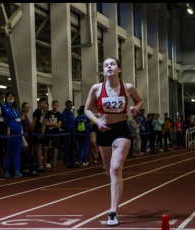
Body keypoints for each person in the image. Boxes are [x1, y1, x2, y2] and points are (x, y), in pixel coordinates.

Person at [84, 56, 143, 226]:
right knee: (110, 173)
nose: (109, 67)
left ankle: (112, 212)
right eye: (105, 65)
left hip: (121, 130)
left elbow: (140, 101)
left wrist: (135, 108)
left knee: (116, 168)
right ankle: (117, 188)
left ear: (119, 69)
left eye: (112, 64)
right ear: (103, 71)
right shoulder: (96, 88)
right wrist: (96, 121)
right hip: (103, 130)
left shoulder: (128, 88)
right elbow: (87, 109)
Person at [3, 91, 23, 178]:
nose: (10, 98)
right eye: (9, 96)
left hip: (18, 134)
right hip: (10, 134)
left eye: (12, 97)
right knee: (8, 153)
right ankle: (6, 171)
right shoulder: (4, 108)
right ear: (6, 98)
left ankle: (17, 171)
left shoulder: (16, 109)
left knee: (17, 153)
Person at [43, 100, 62, 170]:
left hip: (55, 133)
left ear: (58, 106)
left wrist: (53, 124)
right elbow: (46, 123)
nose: (55, 106)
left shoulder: (59, 114)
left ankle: (54, 164)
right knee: (45, 148)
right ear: (51, 105)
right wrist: (54, 124)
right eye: (54, 105)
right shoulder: (48, 113)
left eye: (56, 105)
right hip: (48, 132)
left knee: (55, 149)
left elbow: (59, 125)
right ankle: (45, 163)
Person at [32, 97, 48, 172]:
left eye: (45, 103)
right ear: (39, 103)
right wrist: (31, 131)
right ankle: (40, 166)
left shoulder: (41, 112)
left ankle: (40, 165)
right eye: (43, 103)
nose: (44, 104)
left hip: (39, 133)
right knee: (38, 150)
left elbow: (41, 122)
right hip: (36, 133)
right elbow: (34, 121)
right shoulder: (37, 111)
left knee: (39, 149)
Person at [20, 102, 36, 176]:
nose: (27, 108)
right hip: (25, 137)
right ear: (23, 108)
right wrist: (34, 122)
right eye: (26, 107)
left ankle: (25, 168)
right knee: (25, 153)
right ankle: (24, 168)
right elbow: (30, 127)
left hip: (27, 136)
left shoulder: (26, 116)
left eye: (28, 107)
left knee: (26, 153)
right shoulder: (23, 116)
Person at [61, 100, 76, 167]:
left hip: (72, 131)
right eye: (70, 105)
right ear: (66, 105)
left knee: (72, 146)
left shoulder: (71, 113)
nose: (71, 106)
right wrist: (71, 128)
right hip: (67, 132)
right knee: (67, 146)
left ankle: (71, 159)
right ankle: (66, 160)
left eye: (71, 105)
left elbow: (73, 121)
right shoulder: (64, 113)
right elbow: (65, 122)